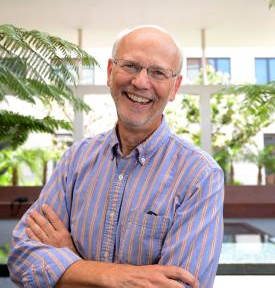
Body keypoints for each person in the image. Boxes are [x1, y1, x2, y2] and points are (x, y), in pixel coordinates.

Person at [8, 25, 224, 288]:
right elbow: (21, 258)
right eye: (131, 66)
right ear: (110, 72)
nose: (141, 82)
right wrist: (119, 277)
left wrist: (71, 262)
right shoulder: (75, 160)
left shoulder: (199, 175)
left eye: (158, 72)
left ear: (175, 86)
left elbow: (183, 286)